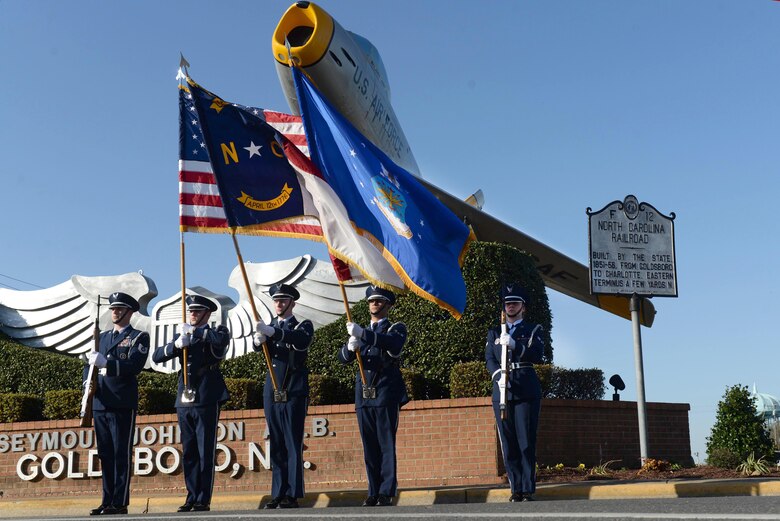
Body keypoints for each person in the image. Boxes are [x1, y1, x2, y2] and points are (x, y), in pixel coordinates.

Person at [152, 294, 230, 513]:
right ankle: (191, 495)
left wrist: (196, 332)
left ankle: (203, 498)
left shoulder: (217, 332)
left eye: (197, 311)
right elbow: (156, 357)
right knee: (189, 452)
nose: (193, 314)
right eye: (191, 311)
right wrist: (175, 345)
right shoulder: (184, 335)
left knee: (205, 450)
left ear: (207, 314)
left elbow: (220, 342)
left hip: (206, 395)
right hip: (184, 397)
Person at [338, 286, 408, 507]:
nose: (374, 304)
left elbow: (393, 345)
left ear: (388, 305)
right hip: (364, 395)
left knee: (385, 444)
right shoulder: (360, 331)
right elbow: (341, 358)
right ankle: (373, 490)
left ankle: (386, 491)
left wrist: (363, 335)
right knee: (369, 446)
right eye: (372, 301)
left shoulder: (394, 328)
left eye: (379, 301)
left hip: (386, 393)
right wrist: (350, 348)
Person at [86, 292, 149, 516]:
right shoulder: (101, 338)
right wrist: (87, 385)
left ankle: (119, 502)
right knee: (105, 454)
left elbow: (134, 366)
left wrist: (108, 363)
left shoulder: (138, 337)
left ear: (130, 312)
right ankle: (107, 500)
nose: (114, 311)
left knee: (121, 453)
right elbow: (90, 367)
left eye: (119, 308)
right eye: (113, 308)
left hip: (122, 402)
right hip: (101, 402)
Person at [256, 283, 314, 509]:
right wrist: (258, 341)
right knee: (276, 443)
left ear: (292, 303)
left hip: (293, 387)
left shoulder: (302, 325)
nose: (278, 304)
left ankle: (293, 492)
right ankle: (278, 491)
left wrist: (274, 333)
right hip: (273, 387)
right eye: (276, 300)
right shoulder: (268, 326)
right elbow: (263, 350)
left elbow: (301, 341)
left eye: (283, 300)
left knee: (292, 441)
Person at [485, 283, 545, 502]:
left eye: (515, 303)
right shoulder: (494, 332)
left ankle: (528, 488)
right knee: (508, 442)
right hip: (502, 391)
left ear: (523, 307)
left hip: (525, 389)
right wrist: (498, 376)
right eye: (508, 303)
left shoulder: (532, 330)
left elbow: (538, 355)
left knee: (525, 441)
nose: (511, 306)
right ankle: (515, 488)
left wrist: (516, 347)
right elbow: (489, 359)